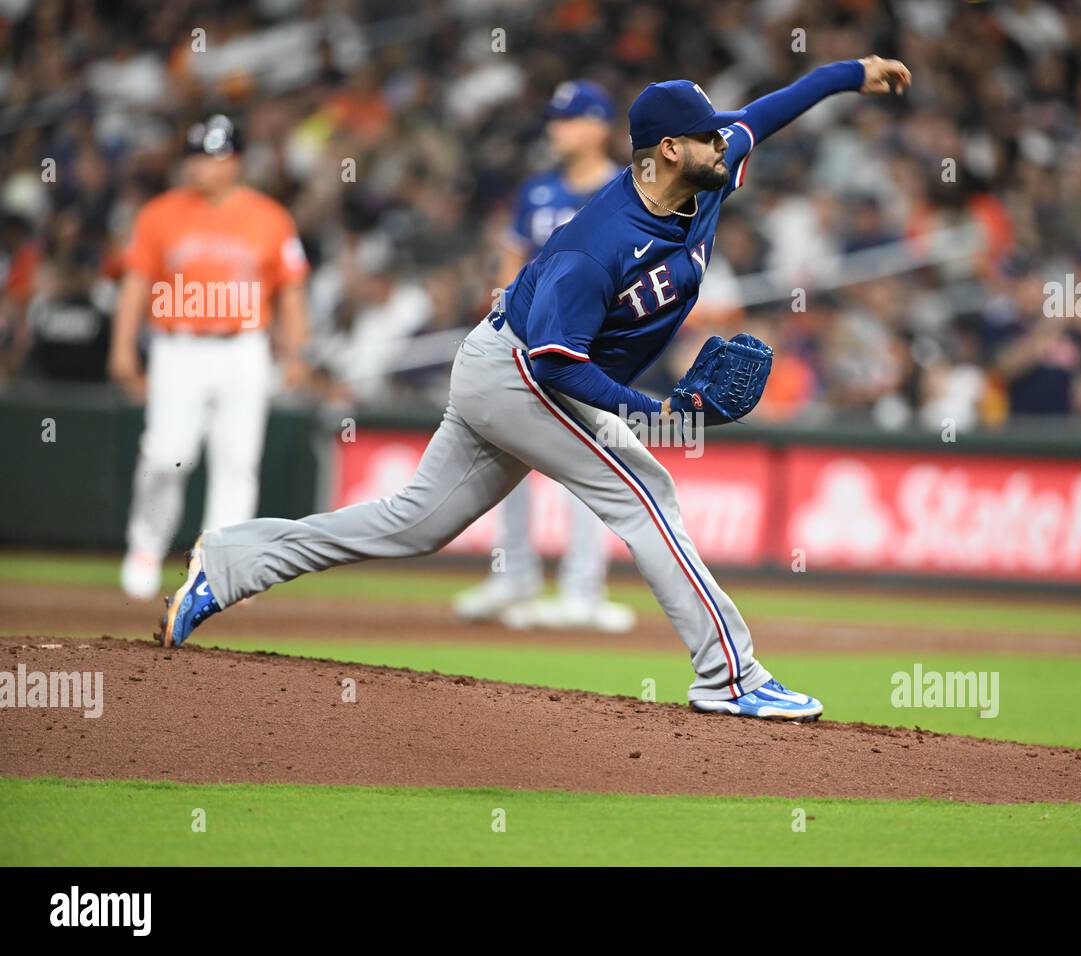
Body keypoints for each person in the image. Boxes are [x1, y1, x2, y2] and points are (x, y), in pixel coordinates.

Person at [160, 56, 912, 721]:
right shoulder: (597, 245)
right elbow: (555, 364)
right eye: (710, 135)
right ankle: (731, 676)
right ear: (671, 150)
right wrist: (654, 416)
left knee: (410, 525)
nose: (728, 141)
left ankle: (229, 562)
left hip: (512, 369)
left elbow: (771, 109)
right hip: (519, 371)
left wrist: (853, 73)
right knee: (645, 492)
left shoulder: (706, 174)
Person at [452, 80, 635, 634]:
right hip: (527, 343)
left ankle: (584, 590)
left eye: (568, 119)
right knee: (509, 456)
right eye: (554, 119)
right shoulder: (537, 191)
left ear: (599, 125)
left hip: (592, 352)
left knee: (584, 465)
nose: (556, 128)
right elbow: (511, 260)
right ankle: (516, 576)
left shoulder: (626, 189)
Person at [110, 115, 309, 600]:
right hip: (179, 348)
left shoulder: (270, 217)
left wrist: (295, 352)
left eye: (211, 156)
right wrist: (122, 349)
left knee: (237, 460)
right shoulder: (159, 213)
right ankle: (145, 546)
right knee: (165, 455)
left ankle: (219, 566)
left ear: (235, 161)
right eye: (195, 155)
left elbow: (290, 292)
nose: (200, 165)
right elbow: (135, 282)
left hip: (243, 349)